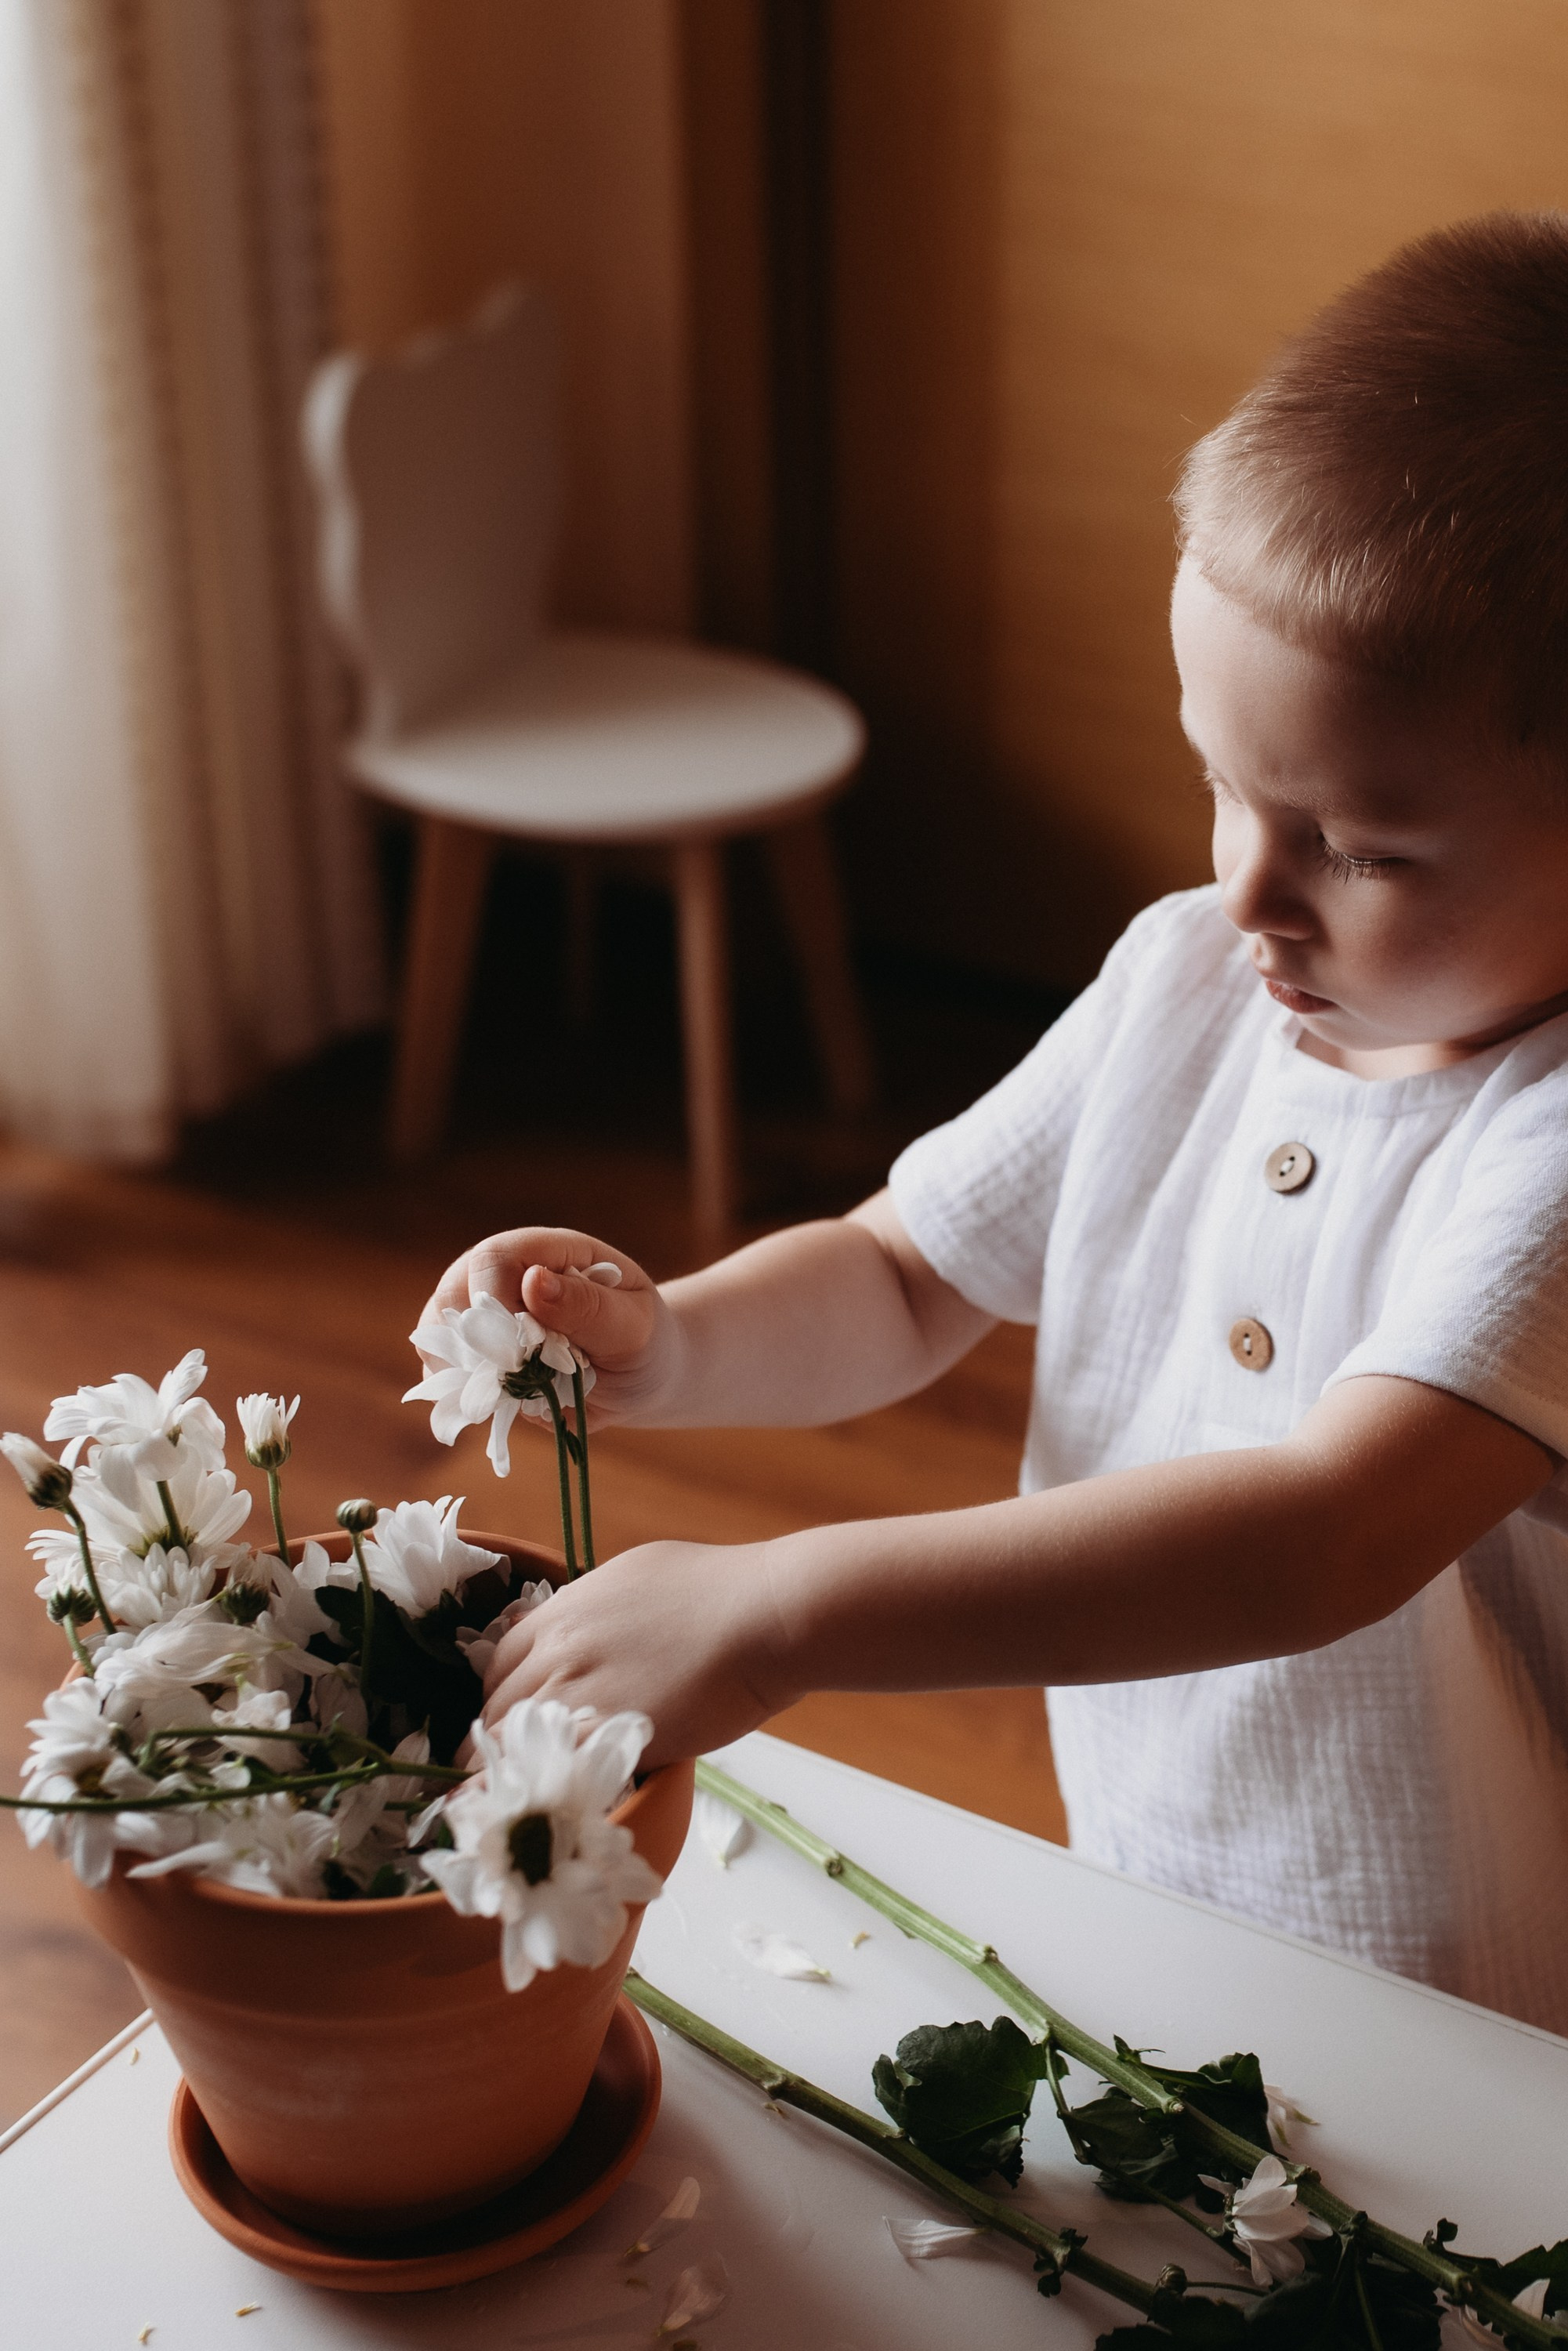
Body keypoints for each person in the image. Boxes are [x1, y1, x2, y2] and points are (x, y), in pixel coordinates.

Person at [418, 213, 1568, 2036]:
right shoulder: (1187, 978)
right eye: (1221, 785)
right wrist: (670, 1340)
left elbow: (1319, 1532)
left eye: (1357, 847)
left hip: (1468, 1973)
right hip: (1152, 1848)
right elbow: (898, 1273)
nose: (1249, 889)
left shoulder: (1548, 1145)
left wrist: (783, 1604)